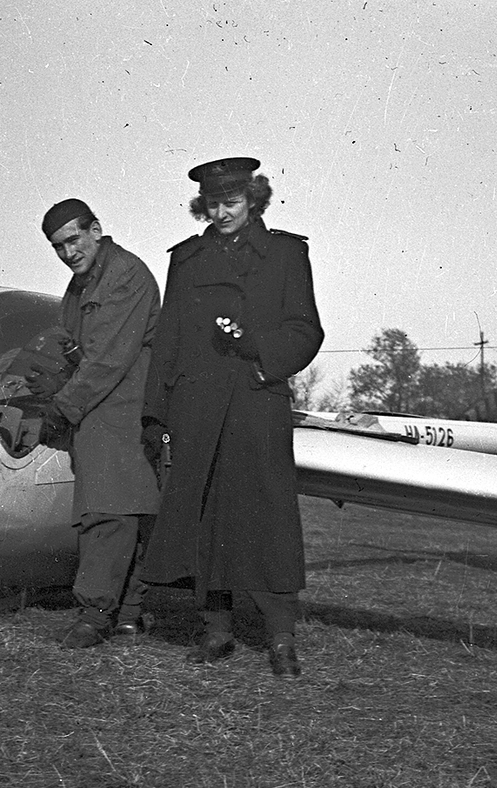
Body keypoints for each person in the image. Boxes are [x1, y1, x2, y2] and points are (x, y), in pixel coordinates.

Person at [140, 157, 324, 676]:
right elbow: (169, 339)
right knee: (204, 516)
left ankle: (280, 636)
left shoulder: (287, 254)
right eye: (213, 204)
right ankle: (216, 631)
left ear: (253, 201)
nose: (222, 212)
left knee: (268, 517)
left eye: (233, 202)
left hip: (255, 401)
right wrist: (156, 413)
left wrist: (256, 351)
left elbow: (306, 330)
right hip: (197, 407)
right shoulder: (187, 259)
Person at [33, 199, 162, 648]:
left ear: (96, 229)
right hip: (101, 410)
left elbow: (106, 359)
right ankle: (127, 613)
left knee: (108, 514)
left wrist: (60, 409)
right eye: (58, 246)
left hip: (120, 408)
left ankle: (95, 615)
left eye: (73, 239)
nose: (68, 252)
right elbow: (73, 343)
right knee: (122, 511)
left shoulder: (124, 273)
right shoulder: (82, 283)